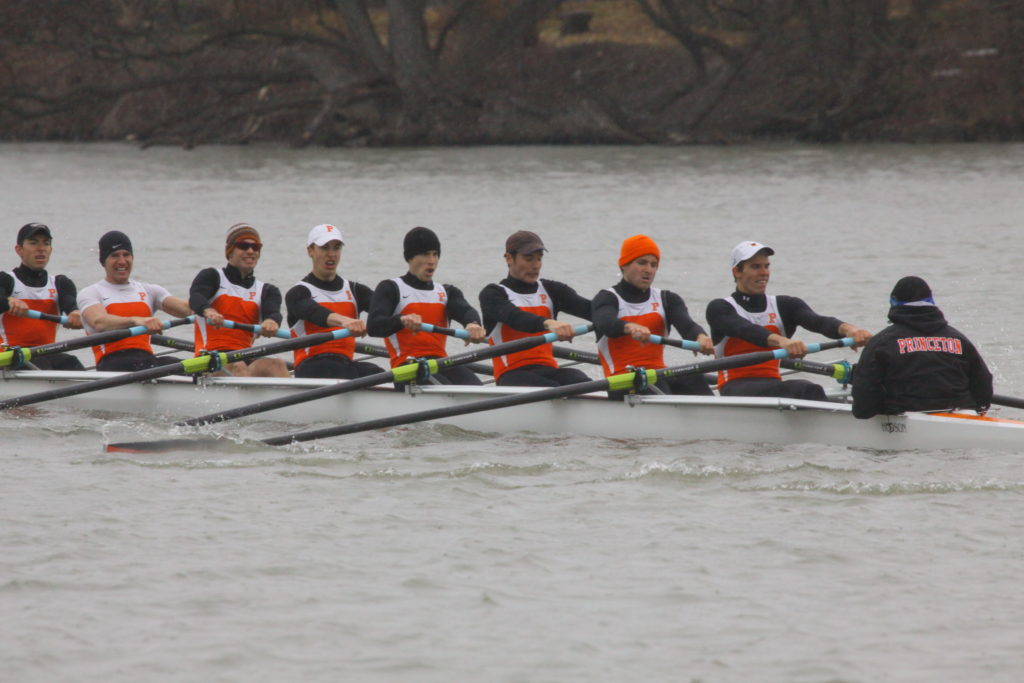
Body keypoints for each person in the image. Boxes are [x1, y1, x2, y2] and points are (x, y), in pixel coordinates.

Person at [706, 241, 872, 401]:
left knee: (810, 391)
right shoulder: (720, 308)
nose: (764, 272)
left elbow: (819, 322)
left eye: (766, 266)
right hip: (734, 388)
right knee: (806, 389)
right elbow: (746, 330)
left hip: (773, 384)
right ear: (737, 272)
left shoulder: (785, 305)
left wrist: (850, 330)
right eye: (755, 267)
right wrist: (783, 341)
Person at [851, 276, 992, 418]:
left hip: (910, 419)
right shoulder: (959, 339)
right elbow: (984, 383)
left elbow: (864, 403)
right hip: (963, 415)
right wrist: (980, 410)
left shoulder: (882, 342)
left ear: (893, 302)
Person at [593, 234, 714, 400]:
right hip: (622, 380)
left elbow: (687, 326)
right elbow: (605, 323)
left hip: (657, 374)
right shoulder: (607, 298)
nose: (648, 270)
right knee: (656, 384)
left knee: (693, 378)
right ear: (624, 265)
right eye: (641, 263)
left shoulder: (667, 299)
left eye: (653, 264)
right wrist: (629, 327)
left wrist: (700, 337)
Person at [367, 226, 486, 388]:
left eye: (435, 254)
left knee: (476, 389)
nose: (432, 261)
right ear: (409, 258)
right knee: (448, 390)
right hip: (407, 367)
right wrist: (401, 320)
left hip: (441, 363)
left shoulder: (446, 292)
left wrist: (473, 323)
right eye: (425, 254)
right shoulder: (391, 288)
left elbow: (466, 310)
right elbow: (374, 326)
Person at [478, 230, 592, 387]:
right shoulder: (492, 294)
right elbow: (515, 317)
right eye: (529, 259)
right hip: (511, 375)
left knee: (579, 379)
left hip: (548, 369)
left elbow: (591, 310)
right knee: (551, 388)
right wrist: (548, 323)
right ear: (509, 259)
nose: (536, 265)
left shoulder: (552, 290)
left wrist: (622, 319)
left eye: (539, 259)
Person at [77, 230, 193, 372]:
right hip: (112, 364)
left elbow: (186, 309)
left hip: (147, 361)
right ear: (103, 261)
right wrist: (136, 321)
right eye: (115, 256)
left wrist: (207, 305)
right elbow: (99, 322)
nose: (122, 261)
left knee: (196, 366)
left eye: (126, 255)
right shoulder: (91, 292)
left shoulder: (149, 290)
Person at [189, 223, 288, 377]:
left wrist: (271, 321)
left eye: (255, 248)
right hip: (209, 358)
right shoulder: (212, 277)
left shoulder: (267, 291)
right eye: (244, 246)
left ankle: (293, 400)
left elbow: (273, 312)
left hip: (246, 356)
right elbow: (196, 298)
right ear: (230, 252)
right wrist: (209, 311)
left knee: (277, 364)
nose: (250, 251)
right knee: (238, 366)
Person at [285, 224, 382, 379]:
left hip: (345, 365)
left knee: (379, 373)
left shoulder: (356, 290)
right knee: (337, 369)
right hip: (311, 366)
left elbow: (384, 311)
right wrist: (345, 321)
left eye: (336, 248)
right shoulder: (298, 293)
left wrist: (405, 317)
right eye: (324, 248)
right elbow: (314, 312)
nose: (331, 254)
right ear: (310, 251)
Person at [0, 222, 84, 370]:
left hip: (46, 352)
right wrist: (8, 301)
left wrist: (76, 314)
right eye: (33, 243)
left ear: (50, 250)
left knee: (72, 363)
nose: (41, 248)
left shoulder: (60, 283)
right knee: (42, 364)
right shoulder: (6, 280)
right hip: (10, 355)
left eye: (46, 243)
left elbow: (71, 305)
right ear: (19, 249)